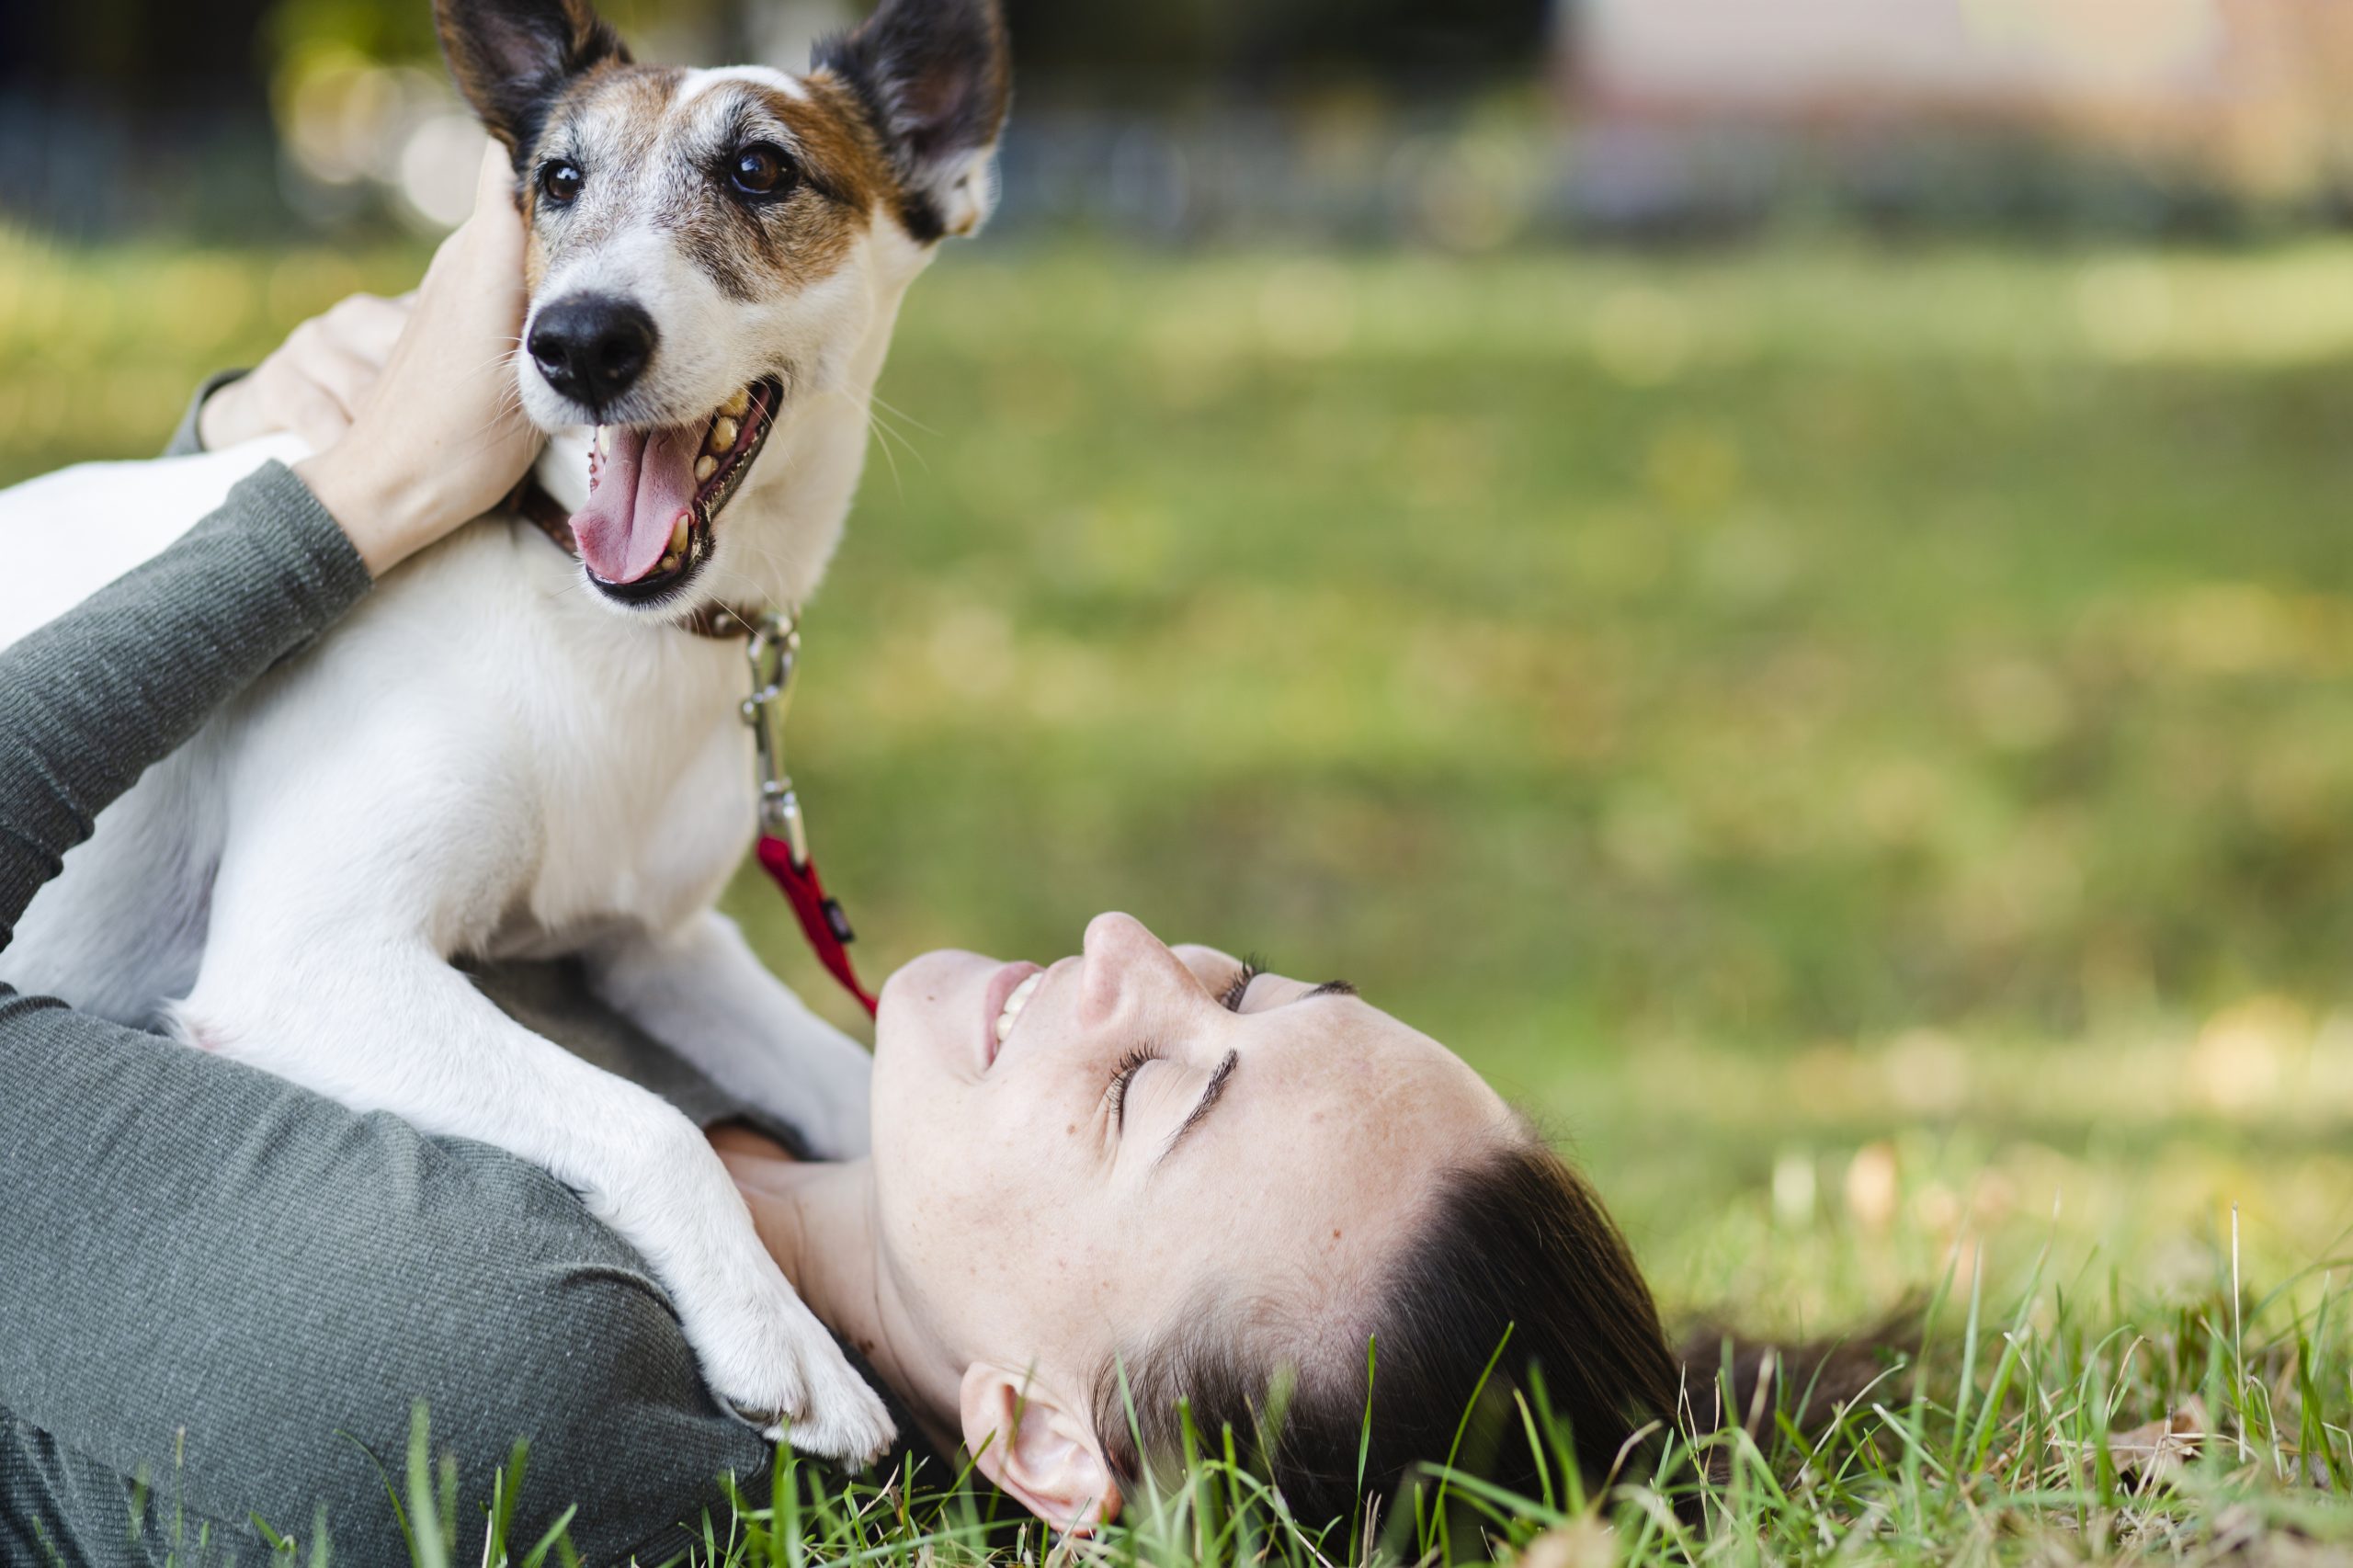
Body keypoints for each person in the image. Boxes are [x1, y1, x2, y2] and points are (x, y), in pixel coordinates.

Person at [0, 152, 1681, 1565]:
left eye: (1147, 1091)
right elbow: (192, 835)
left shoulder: (510, 1367)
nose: (1123, 946)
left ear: (1040, 1438)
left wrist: (356, 496)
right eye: (1241, 983)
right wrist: (245, 441)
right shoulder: (746, 1074)